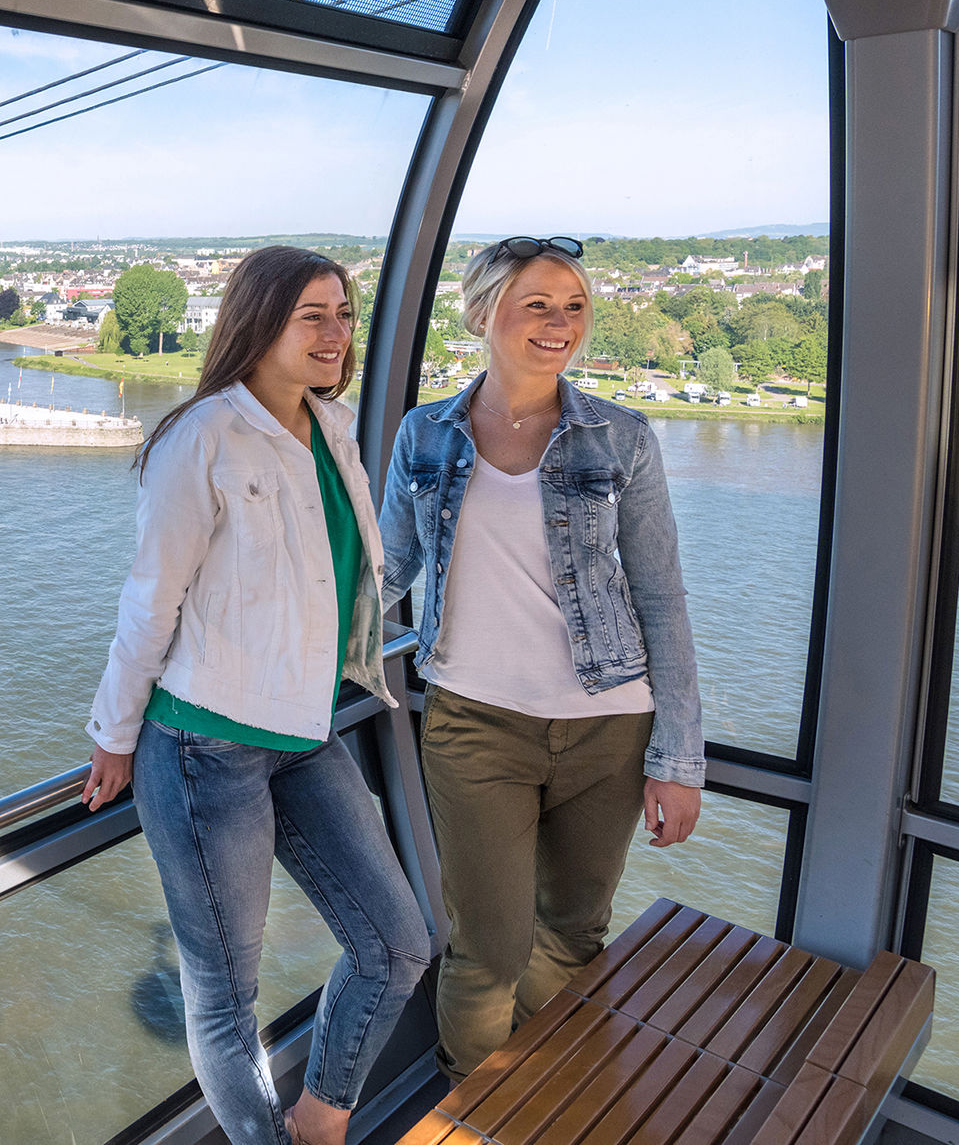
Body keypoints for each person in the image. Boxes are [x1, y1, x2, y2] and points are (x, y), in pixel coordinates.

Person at [83, 246, 431, 1145]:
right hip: (204, 749)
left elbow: (337, 578)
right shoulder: (200, 438)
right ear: (258, 321)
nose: (336, 332)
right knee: (226, 999)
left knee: (397, 944)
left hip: (306, 731)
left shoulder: (336, 428)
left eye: (345, 313)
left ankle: (319, 1121)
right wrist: (114, 734)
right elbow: (150, 599)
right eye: (311, 314)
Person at [378, 237, 704, 1081]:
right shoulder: (425, 434)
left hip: (608, 726)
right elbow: (383, 576)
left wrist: (678, 758)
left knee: (571, 933)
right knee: (487, 947)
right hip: (474, 724)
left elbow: (662, 599)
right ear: (484, 313)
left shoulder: (621, 438)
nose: (561, 323)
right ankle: (473, 1113)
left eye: (575, 306)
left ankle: (537, 1099)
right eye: (538, 304)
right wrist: (271, 649)